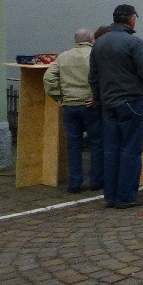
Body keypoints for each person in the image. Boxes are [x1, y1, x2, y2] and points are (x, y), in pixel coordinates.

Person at [89, 4, 143, 209]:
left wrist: (100, 98)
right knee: (130, 150)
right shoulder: (134, 42)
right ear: (130, 19)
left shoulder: (99, 43)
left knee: (111, 150)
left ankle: (110, 196)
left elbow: (93, 77)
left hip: (108, 103)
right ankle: (126, 196)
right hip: (130, 101)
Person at [43, 28, 102, 193]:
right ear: (91, 40)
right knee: (96, 143)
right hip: (90, 104)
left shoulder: (63, 57)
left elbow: (48, 77)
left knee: (73, 145)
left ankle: (75, 183)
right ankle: (96, 181)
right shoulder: (95, 55)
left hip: (70, 105)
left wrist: (58, 96)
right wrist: (97, 97)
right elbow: (103, 76)